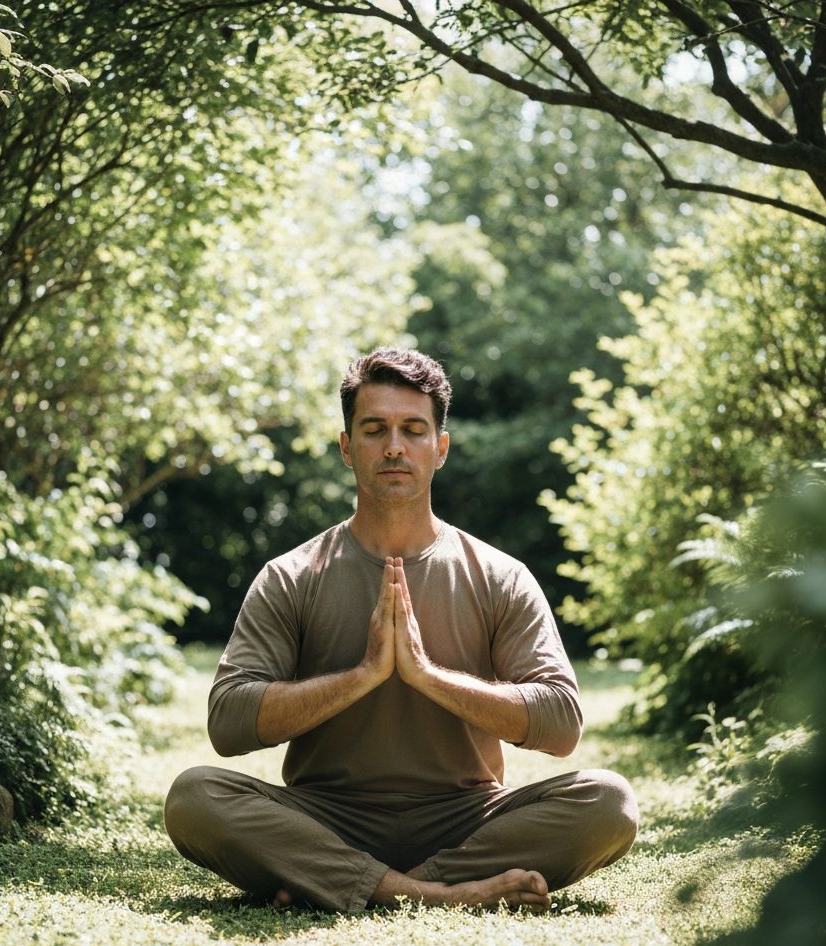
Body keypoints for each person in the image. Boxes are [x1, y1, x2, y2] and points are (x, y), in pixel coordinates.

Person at [165, 348, 638, 913]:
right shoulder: (292, 576)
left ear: (439, 448)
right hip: (327, 816)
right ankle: (435, 894)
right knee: (194, 797)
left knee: (609, 802)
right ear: (347, 447)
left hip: (465, 819)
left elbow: (561, 724)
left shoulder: (498, 576)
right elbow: (229, 721)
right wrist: (363, 676)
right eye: (374, 429)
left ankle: (357, 885)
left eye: (413, 429)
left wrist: (427, 675)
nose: (394, 446)